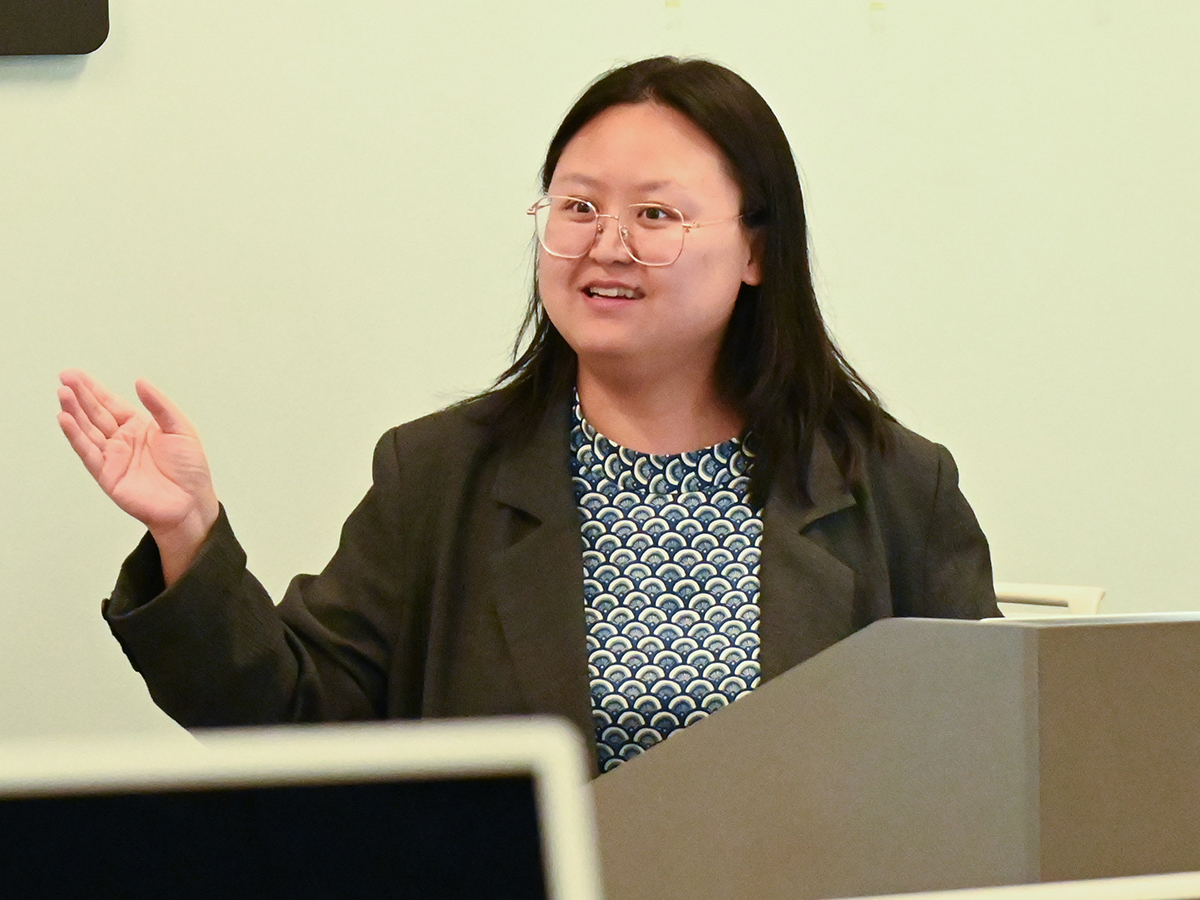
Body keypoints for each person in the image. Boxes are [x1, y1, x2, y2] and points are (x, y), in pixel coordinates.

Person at [58, 56, 997, 775]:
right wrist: (188, 533)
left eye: (657, 216)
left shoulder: (894, 486)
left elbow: (984, 768)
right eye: (578, 206)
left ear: (758, 249)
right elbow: (296, 722)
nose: (606, 246)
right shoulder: (439, 475)